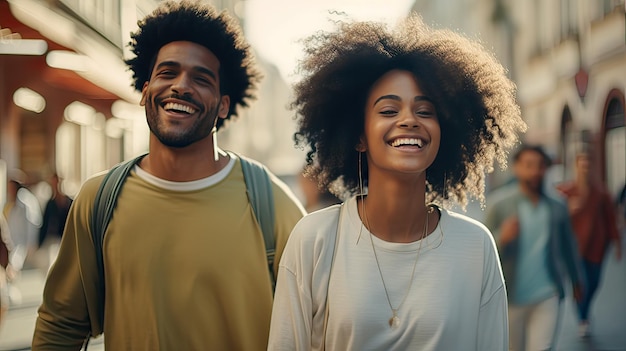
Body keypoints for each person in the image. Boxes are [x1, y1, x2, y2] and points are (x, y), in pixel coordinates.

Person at [32, 1, 305, 350]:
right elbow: (61, 325)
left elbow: (317, 326)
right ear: (146, 90)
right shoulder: (98, 199)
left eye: (201, 78)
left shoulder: (272, 203)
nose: (181, 86)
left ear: (223, 104)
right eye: (167, 72)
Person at [268, 14, 526, 350]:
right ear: (358, 136)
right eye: (389, 111)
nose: (408, 120)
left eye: (425, 111)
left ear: (443, 131)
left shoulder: (476, 247)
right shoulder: (313, 240)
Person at [485, 144, 584, 351]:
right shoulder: (499, 205)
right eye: (528, 165)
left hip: (548, 294)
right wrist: (501, 236)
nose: (535, 171)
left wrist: (577, 280)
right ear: (516, 168)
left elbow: (568, 246)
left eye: (540, 166)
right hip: (510, 297)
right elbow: (482, 250)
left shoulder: (557, 206)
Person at [555, 150, 622, 338]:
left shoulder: (601, 193)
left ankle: (585, 311)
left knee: (594, 283)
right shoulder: (564, 192)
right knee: (580, 284)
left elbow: (610, 220)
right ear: (576, 166)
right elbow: (553, 218)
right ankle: (583, 318)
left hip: (598, 247)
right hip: (574, 249)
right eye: (581, 164)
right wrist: (568, 208)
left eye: (588, 165)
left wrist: (617, 244)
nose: (585, 168)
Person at [36, 173, 72, 273]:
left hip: (65, 239)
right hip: (53, 240)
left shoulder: (69, 202)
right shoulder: (50, 204)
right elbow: (45, 224)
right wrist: (39, 242)